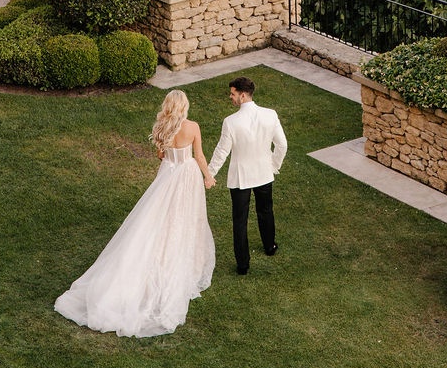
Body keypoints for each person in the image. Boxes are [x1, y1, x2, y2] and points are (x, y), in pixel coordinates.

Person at [54, 89, 215, 337]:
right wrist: (208, 177)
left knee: (157, 220)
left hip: (167, 177)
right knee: (182, 220)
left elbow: (161, 156)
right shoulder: (192, 127)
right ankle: (176, 260)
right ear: (184, 106)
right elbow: (200, 156)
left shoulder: (162, 126)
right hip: (186, 178)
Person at [207, 75, 287, 275]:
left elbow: (221, 152)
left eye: (232, 94)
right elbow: (282, 145)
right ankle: (270, 247)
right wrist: (273, 166)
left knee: (240, 220)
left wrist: (208, 174)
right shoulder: (270, 115)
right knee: (266, 211)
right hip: (264, 173)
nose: (230, 97)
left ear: (243, 95)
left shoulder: (230, 122)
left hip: (240, 178)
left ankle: (243, 264)